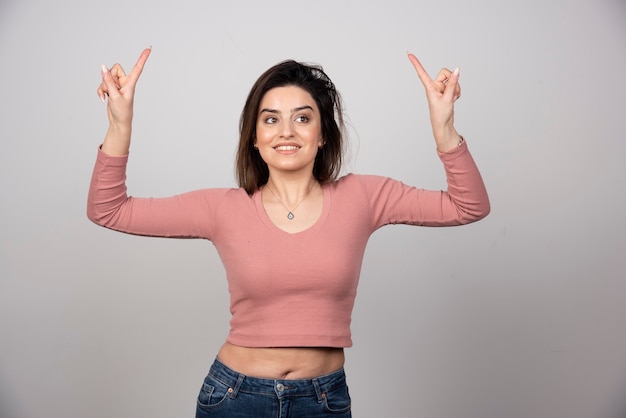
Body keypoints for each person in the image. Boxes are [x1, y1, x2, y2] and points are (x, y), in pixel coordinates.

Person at [88, 46, 490, 418]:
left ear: (323, 134)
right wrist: (121, 125)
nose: (286, 131)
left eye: (302, 117)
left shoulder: (363, 196)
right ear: (255, 138)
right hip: (234, 399)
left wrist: (444, 127)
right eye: (271, 119)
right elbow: (109, 210)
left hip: (323, 401)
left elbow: (467, 205)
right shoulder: (223, 207)